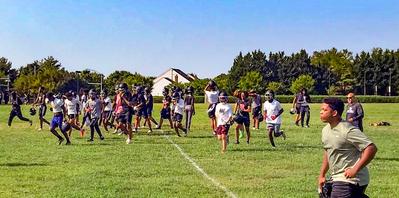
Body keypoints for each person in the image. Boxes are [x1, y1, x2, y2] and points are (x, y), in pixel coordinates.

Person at [318, 97, 377, 198]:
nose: (321, 112)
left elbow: (371, 148)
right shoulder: (326, 130)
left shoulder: (347, 130)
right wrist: (322, 174)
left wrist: (355, 169)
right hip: (336, 177)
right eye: (321, 109)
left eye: (325, 110)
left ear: (334, 113)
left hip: (351, 178)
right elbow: (328, 151)